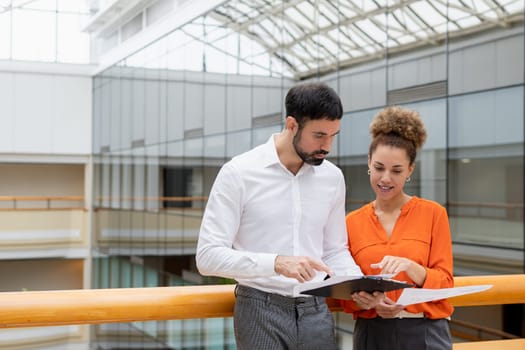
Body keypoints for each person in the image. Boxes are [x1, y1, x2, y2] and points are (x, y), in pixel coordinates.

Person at [196, 82, 362, 350]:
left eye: (334, 135)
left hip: (316, 310)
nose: (327, 146)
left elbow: (334, 250)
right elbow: (207, 256)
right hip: (260, 309)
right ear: (292, 124)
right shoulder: (238, 173)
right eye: (319, 135)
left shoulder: (332, 177)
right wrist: (276, 263)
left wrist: (358, 283)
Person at [341, 106, 454, 350]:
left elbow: (445, 283)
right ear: (369, 163)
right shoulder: (351, 222)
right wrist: (364, 302)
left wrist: (414, 269)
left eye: (397, 171)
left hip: (426, 334)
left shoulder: (434, 214)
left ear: (410, 170)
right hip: (372, 334)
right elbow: (344, 294)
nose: (386, 179)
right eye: (379, 167)